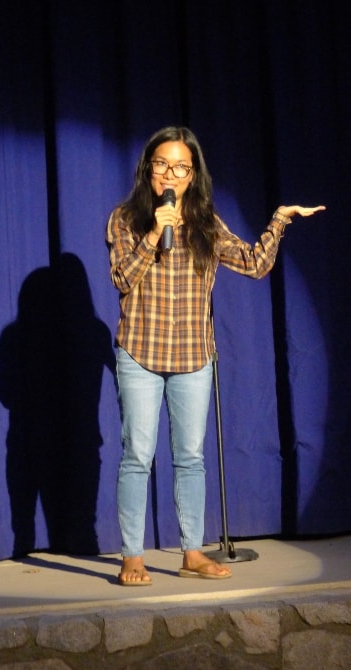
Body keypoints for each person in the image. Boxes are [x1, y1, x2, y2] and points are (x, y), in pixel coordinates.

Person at [106, 125, 325, 586]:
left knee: (190, 458)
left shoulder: (207, 222)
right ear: (148, 169)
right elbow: (123, 279)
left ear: (193, 175)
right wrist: (153, 236)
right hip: (141, 354)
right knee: (137, 457)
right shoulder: (126, 219)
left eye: (181, 167)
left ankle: (191, 552)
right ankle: (132, 556)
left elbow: (254, 264)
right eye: (162, 164)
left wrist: (279, 219)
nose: (170, 173)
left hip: (193, 356)